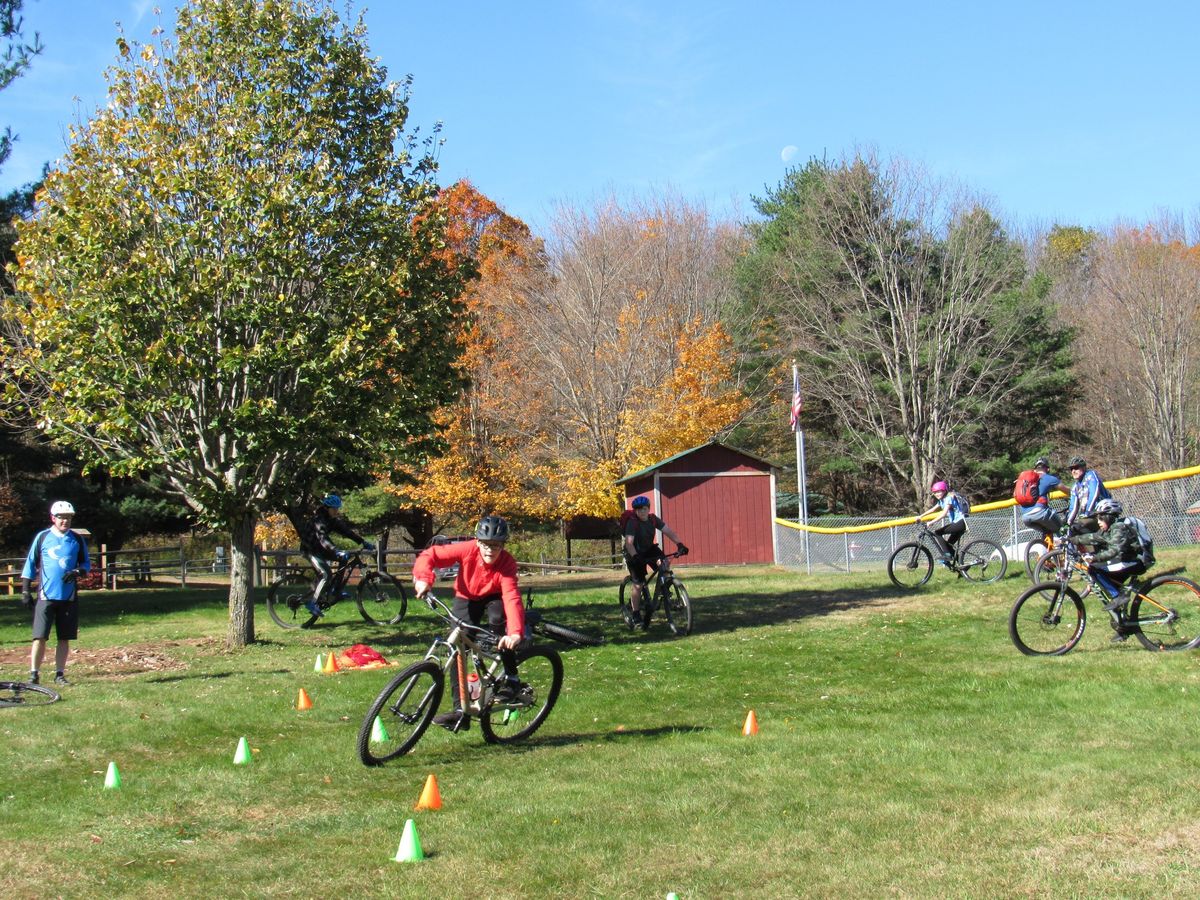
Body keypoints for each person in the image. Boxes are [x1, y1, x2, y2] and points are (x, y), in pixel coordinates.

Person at [412, 515, 527, 732]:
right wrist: (424, 578)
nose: (490, 550)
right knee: (458, 648)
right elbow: (431, 555)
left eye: (496, 545)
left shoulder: (507, 564)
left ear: (503, 545)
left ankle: (512, 679)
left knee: (497, 619)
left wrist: (514, 633)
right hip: (466, 596)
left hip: (495, 596)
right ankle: (460, 713)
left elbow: (511, 598)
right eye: (485, 544)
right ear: (477, 541)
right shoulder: (466, 549)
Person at [20, 501, 91, 686]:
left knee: (64, 638)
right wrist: (26, 591)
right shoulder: (43, 537)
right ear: (53, 518)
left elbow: (86, 564)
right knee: (39, 636)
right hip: (45, 596)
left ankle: (59, 674)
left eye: (68, 517)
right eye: (61, 517)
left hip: (68, 597)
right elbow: (30, 563)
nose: (65, 521)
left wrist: (77, 572)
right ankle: (34, 673)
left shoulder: (76, 539)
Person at [285, 494, 374, 619]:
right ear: (327, 508)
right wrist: (335, 550)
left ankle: (336, 590)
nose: (336, 511)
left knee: (344, 557)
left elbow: (347, 532)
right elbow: (322, 539)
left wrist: (363, 542)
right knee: (326, 574)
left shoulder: (332, 520)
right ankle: (312, 602)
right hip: (310, 550)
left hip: (320, 549)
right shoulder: (319, 520)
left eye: (337, 508)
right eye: (334, 509)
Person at [1071, 498, 1145, 621]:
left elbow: (1114, 550)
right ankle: (1123, 626)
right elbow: (1093, 537)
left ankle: (1118, 597)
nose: (1098, 522)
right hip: (1125, 561)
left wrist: (1094, 558)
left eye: (1100, 518)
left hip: (1135, 561)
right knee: (1107, 584)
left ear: (1109, 517)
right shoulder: (1108, 529)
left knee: (1094, 569)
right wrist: (1070, 540)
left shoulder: (1118, 528)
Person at [622, 495, 688, 629]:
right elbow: (629, 543)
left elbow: (668, 531)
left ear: (648, 509)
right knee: (638, 584)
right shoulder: (632, 522)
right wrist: (635, 556)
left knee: (664, 562)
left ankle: (665, 586)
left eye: (644, 509)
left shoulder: (652, 519)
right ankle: (635, 614)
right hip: (633, 552)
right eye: (638, 509)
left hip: (649, 549)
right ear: (635, 511)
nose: (642, 512)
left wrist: (679, 544)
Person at [916, 481, 969, 564]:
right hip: (957, 523)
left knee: (937, 533)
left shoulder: (949, 498)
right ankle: (963, 566)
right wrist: (921, 516)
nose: (937, 494)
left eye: (939, 491)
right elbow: (933, 509)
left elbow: (944, 514)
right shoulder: (942, 501)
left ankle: (947, 555)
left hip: (960, 523)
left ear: (945, 491)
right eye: (935, 492)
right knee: (948, 546)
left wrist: (931, 522)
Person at [1019, 457, 1065, 538]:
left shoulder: (1027, 480)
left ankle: (1047, 549)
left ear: (1035, 469)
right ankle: (1065, 549)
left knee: (1047, 532)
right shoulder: (1049, 478)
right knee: (1062, 529)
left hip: (1025, 517)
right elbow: (1067, 491)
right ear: (1048, 469)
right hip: (1039, 513)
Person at [1066, 456, 1111, 535]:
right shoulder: (1075, 487)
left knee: (1079, 525)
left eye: (1076, 467)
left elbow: (1094, 493)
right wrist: (1068, 523)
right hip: (1089, 516)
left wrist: (1087, 512)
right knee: (1071, 530)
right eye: (1071, 469)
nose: (1073, 471)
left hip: (1103, 514)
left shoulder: (1090, 475)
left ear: (1083, 467)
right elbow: (1073, 508)